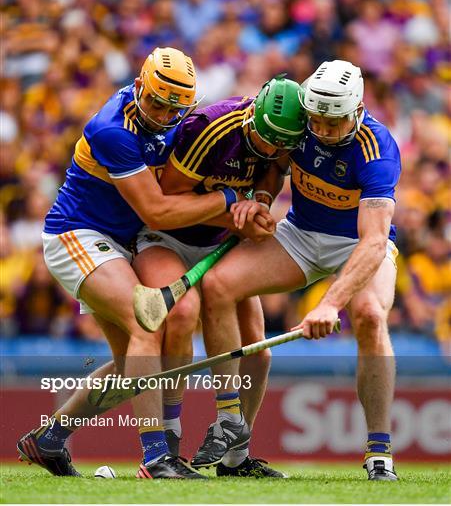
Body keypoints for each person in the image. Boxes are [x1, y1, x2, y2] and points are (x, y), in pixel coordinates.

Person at [16, 47, 260, 479]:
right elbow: (158, 213)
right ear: (140, 86)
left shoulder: (179, 118)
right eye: (155, 102)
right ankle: (157, 456)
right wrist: (227, 200)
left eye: (173, 109)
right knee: (147, 325)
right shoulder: (113, 129)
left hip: (121, 242)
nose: (162, 114)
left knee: (135, 364)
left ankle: (50, 439)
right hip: (80, 234)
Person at [194, 60, 401, 481]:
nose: (321, 130)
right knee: (217, 285)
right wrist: (264, 201)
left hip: (356, 245)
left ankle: (379, 451)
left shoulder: (376, 151)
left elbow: (375, 242)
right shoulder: (302, 122)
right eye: (317, 120)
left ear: (356, 110)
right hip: (300, 235)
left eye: (333, 123)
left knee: (369, 316)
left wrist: (328, 304)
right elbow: (277, 165)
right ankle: (233, 432)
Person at [132, 75, 307, 477]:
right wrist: (231, 207)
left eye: (283, 144)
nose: (273, 149)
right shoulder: (209, 128)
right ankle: (169, 442)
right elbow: (167, 198)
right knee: (180, 314)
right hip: (167, 238)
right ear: (253, 120)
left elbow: (273, 172)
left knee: (258, 352)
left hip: (220, 244)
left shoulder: (283, 139)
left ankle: (235, 455)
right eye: (267, 140)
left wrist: (259, 203)